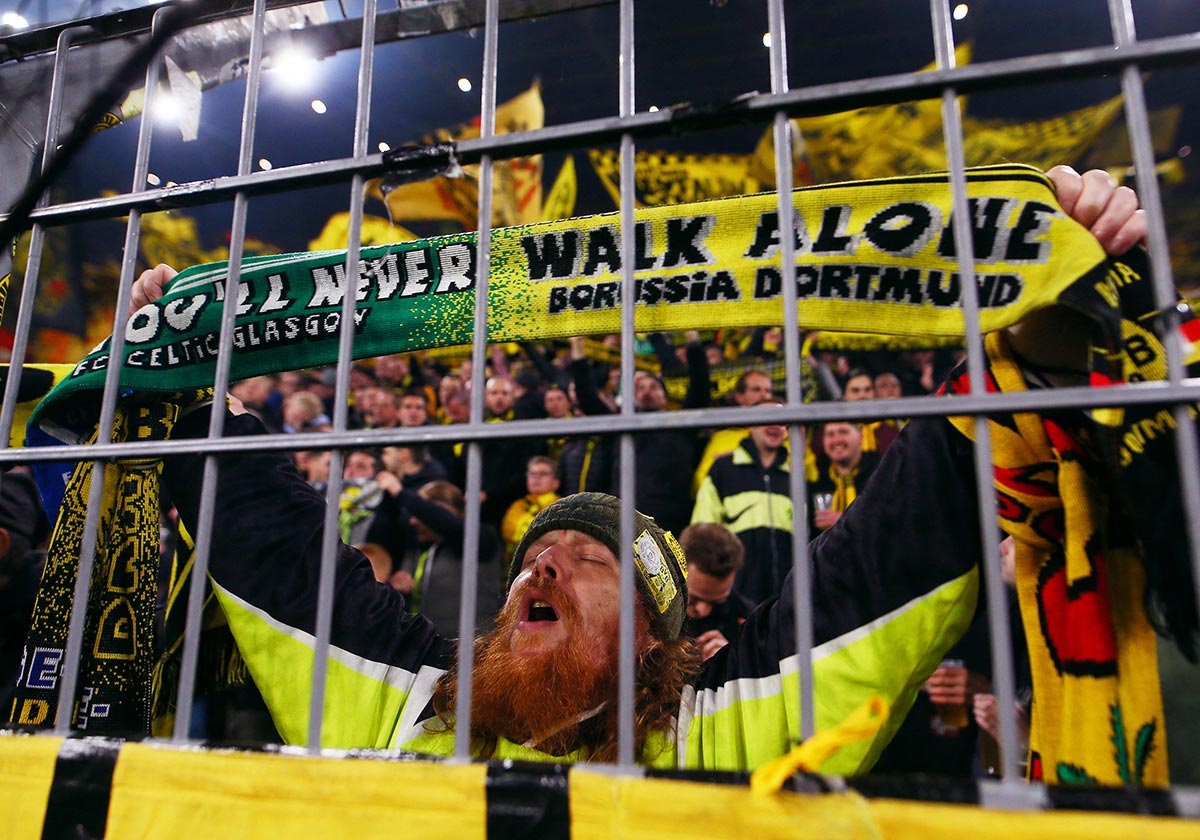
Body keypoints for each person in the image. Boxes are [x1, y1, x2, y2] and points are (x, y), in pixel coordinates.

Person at [129, 166, 1155, 775]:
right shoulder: (407, 702)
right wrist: (182, 375)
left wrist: (1040, 312)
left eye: (587, 563)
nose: (541, 569)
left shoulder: (731, 726)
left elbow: (894, 545)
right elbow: (272, 546)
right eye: (537, 562)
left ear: (657, 640)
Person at [690, 398, 793, 607]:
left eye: (782, 420)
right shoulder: (722, 469)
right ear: (749, 424)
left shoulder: (794, 476)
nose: (775, 425)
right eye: (767, 418)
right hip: (735, 597)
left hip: (786, 597)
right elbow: (703, 532)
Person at [677, 522, 755, 663]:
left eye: (717, 602)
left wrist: (732, 660)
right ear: (676, 570)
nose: (704, 611)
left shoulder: (748, 621)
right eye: (693, 599)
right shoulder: (649, 617)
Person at [808, 421, 880, 533]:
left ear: (861, 436)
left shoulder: (882, 475)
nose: (836, 440)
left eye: (843, 432)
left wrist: (845, 523)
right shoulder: (817, 481)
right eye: (830, 434)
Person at [499, 456, 562, 570]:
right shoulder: (517, 505)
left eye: (543, 473)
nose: (536, 478)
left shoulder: (561, 507)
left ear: (555, 482)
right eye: (532, 474)